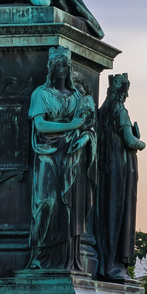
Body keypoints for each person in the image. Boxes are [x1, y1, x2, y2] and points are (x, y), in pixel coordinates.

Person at [26, 47, 94, 271]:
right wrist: (71, 126)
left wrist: (84, 137)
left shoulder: (77, 97)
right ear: (50, 68)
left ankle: (66, 259)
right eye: (57, 65)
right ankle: (40, 256)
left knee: (69, 209)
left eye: (65, 65)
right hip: (46, 154)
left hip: (72, 158)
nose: (61, 70)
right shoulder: (41, 94)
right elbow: (40, 125)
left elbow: (88, 126)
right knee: (46, 203)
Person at [90, 73, 145, 281]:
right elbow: (130, 141)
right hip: (120, 172)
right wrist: (141, 142)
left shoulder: (101, 111)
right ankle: (114, 265)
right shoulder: (119, 111)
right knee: (119, 216)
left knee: (105, 216)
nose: (127, 96)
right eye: (126, 92)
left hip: (103, 171)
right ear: (121, 92)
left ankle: (104, 261)